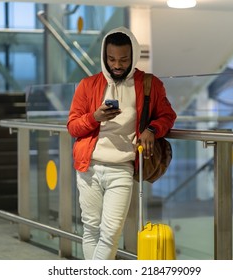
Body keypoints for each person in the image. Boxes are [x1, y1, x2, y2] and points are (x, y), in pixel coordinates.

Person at [67, 26, 177, 260]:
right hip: (89, 167)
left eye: (124, 60)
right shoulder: (88, 85)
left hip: (123, 168)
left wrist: (152, 129)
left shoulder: (149, 84)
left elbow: (168, 116)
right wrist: (94, 117)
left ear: (133, 56)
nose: (117, 65)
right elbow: (72, 126)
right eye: (111, 59)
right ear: (104, 57)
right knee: (91, 230)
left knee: (110, 233)